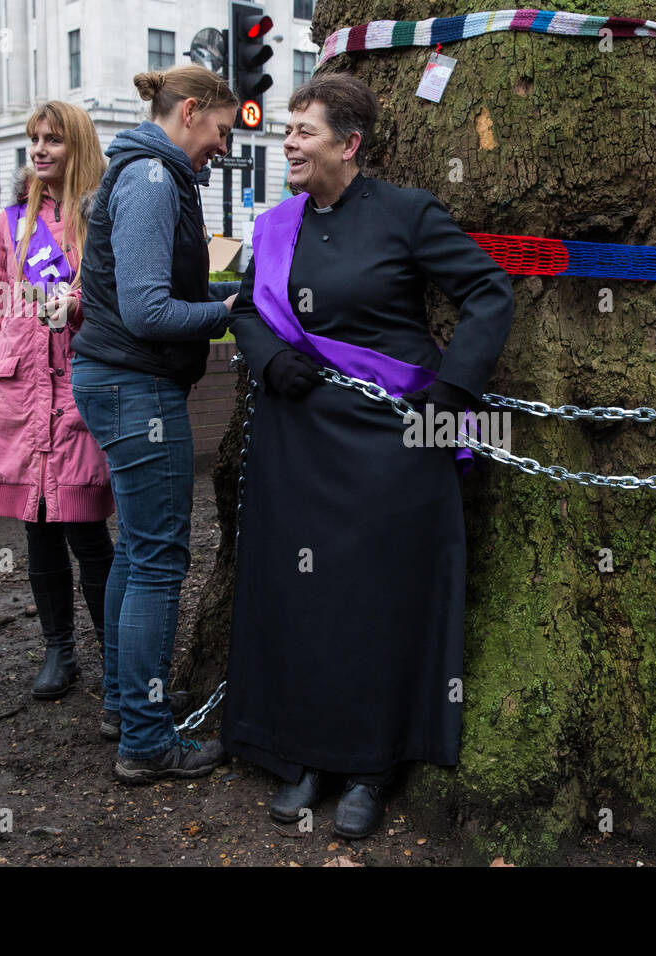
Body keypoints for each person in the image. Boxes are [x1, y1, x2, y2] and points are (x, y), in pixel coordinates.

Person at [221, 74, 515, 839]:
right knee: (306, 601)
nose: (287, 141)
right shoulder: (277, 223)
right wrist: (264, 358)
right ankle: (306, 755)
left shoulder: (407, 213)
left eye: (304, 131)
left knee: (373, 606)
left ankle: (373, 767)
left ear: (349, 145)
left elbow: (489, 293)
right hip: (298, 443)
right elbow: (247, 305)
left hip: (391, 448)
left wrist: (454, 393)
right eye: (287, 128)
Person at [70, 65, 242, 783]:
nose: (222, 150)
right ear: (192, 111)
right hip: (136, 391)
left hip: (118, 384)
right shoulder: (149, 179)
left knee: (139, 553)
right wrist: (231, 311)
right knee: (159, 561)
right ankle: (145, 738)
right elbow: (147, 310)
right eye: (221, 133)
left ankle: (123, 702)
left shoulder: (146, 170)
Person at [0, 101, 114, 700]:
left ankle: (114, 655)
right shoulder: (11, 223)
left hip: (78, 387)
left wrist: (79, 304)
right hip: (17, 393)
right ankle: (58, 651)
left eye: (54, 140)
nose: (41, 150)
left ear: (79, 146)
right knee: (37, 527)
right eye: (34, 140)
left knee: (86, 526)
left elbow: (123, 299)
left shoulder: (101, 215)